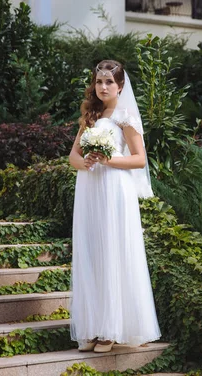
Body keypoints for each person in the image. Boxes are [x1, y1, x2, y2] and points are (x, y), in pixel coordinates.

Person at [68, 60, 161, 353]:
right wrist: (83, 162)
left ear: (120, 86)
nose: (103, 87)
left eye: (109, 82)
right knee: (92, 252)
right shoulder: (90, 115)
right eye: (99, 82)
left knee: (112, 250)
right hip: (89, 188)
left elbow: (139, 159)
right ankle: (93, 327)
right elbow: (72, 155)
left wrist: (109, 160)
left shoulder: (125, 115)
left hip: (114, 190)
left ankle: (111, 331)